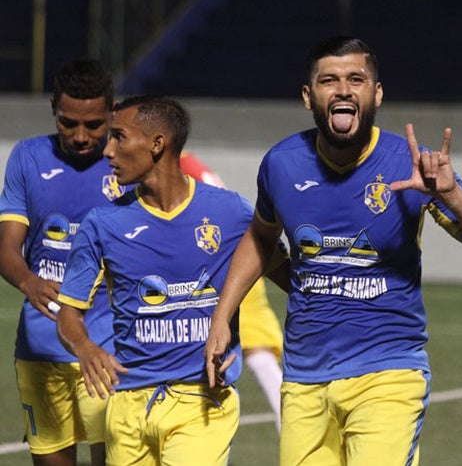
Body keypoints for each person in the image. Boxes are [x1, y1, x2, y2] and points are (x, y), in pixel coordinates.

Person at [204, 36, 462, 465]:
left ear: (377, 92)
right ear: (307, 95)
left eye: (357, 79)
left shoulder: (413, 165)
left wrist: (454, 198)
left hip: (386, 374)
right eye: (329, 80)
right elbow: (262, 236)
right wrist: (222, 317)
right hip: (304, 380)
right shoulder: (281, 164)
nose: (343, 90)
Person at [54, 95, 289, 466]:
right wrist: (84, 347)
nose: (107, 151)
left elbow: (291, 276)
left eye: (119, 137)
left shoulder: (230, 212)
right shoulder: (102, 224)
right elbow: (68, 312)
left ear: (157, 144)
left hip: (201, 402)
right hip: (127, 406)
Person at [0, 58, 117, 466]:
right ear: (53, 108)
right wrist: (28, 281)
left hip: (110, 349)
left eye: (94, 125)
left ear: (112, 114)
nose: (81, 136)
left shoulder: (128, 163)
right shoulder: (28, 158)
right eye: (68, 123)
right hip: (40, 349)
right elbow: (6, 247)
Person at [180, 150, 284, 431]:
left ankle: (290, 423)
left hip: (224, 265)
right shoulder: (185, 163)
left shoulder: (181, 166)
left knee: (256, 347)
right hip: (227, 262)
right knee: (256, 346)